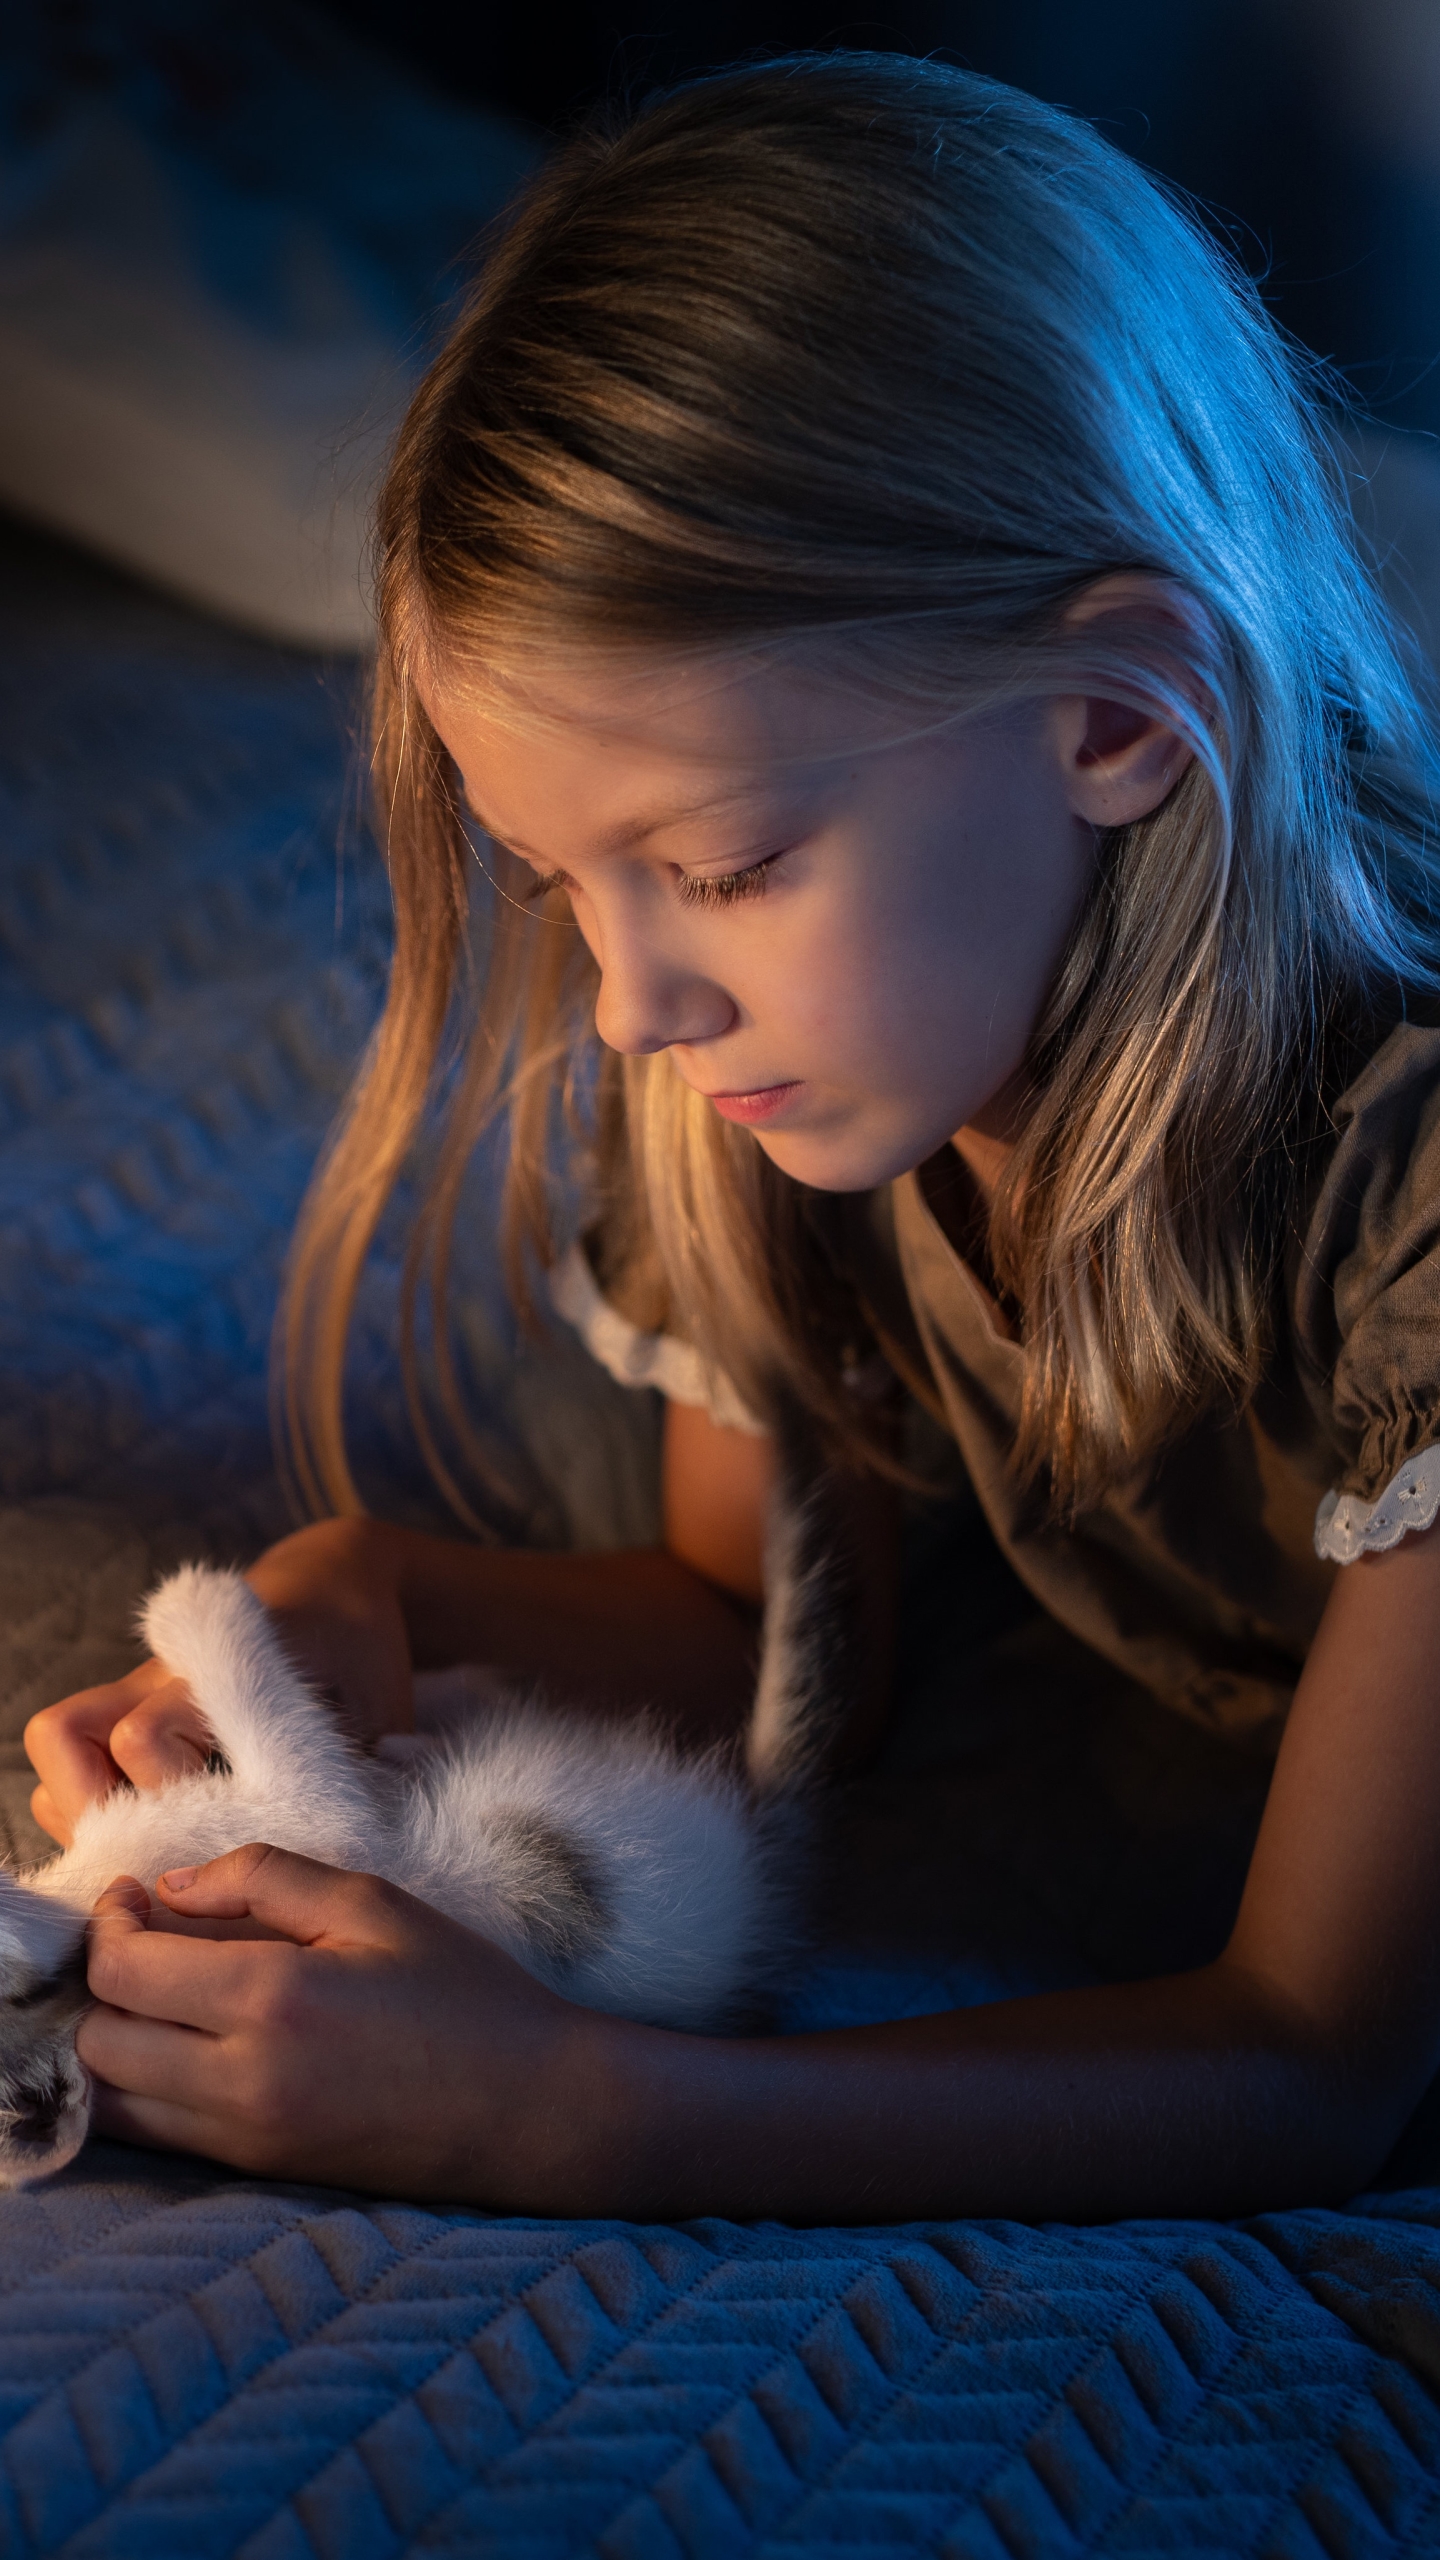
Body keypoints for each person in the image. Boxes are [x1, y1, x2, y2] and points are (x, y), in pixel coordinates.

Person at [24, 54, 1440, 2221]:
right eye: (566, 879)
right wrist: (363, 1595)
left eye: (731, 856)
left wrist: (556, 2101)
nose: (632, 1002)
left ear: (1114, 722)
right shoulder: (799, 1070)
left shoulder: (1406, 1201)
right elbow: (769, 1627)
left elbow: (1312, 2057)